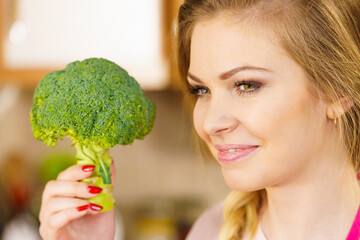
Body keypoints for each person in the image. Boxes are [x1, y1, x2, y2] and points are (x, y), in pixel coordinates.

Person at [39, 0, 360, 239]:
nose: (210, 123)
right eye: (201, 90)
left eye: (246, 85)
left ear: (337, 90)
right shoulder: (210, 231)